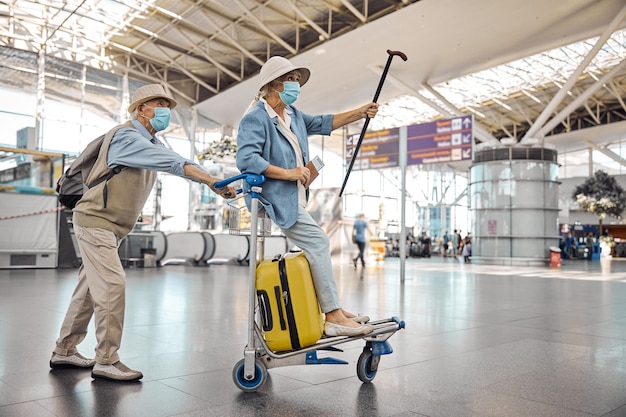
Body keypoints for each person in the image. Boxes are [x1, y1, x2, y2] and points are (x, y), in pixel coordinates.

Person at [49, 84, 236, 382]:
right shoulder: (127, 136)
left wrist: (212, 180)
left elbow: (180, 164)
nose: (166, 110)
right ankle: (107, 359)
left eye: (168, 105)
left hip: (111, 224)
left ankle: (64, 349)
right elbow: (173, 163)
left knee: (88, 290)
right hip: (96, 220)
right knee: (112, 284)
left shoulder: (152, 142)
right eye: (159, 103)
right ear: (141, 110)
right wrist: (210, 180)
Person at [236, 56, 379, 337]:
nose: (296, 85)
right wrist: (288, 173)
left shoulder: (294, 115)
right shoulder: (255, 118)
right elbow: (247, 159)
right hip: (274, 198)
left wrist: (360, 113)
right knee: (318, 242)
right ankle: (333, 314)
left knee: (316, 245)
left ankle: (332, 308)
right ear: (274, 84)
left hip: (296, 197)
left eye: (297, 80)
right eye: (291, 80)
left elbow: (326, 122)